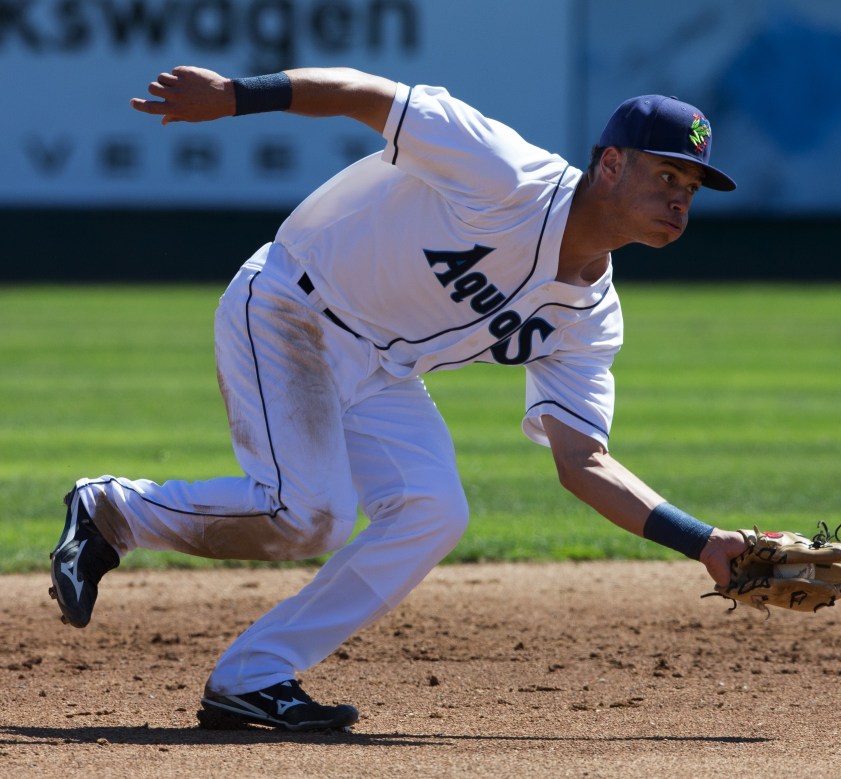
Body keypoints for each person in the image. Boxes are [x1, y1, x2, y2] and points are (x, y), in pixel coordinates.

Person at [49, 65, 748, 732]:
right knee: (311, 516)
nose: (681, 199)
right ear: (611, 165)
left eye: (692, 185)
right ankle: (111, 511)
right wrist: (235, 96)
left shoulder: (591, 317)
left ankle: (253, 678)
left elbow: (583, 461)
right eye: (666, 174)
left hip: (382, 367)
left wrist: (705, 542)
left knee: (432, 510)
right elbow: (364, 94)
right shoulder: (506, 174)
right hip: (293, 304)